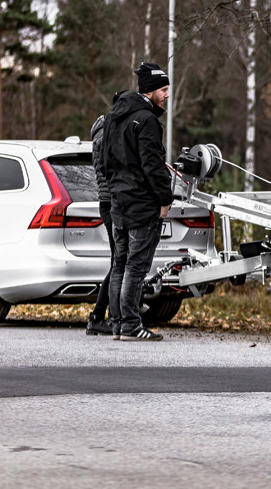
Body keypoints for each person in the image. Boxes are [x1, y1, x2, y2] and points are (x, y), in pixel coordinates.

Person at [103, 62, 174, 341]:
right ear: (151, 90)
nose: (167, 95)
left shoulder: (114, 117)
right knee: (136, 265)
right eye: (164, 90)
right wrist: (165, 199)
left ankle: (118, 324)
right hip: (142, 203)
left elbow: (106, 160)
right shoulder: (146, 121)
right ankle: (131, 324)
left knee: (120, 262)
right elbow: (153, 166)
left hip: (118, 201)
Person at [85, 109, 115, 336]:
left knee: (119, 262)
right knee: (119, 262)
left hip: (108, 203)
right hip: (111, 203)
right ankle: (100, 315)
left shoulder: (102, 133)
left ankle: (102, 314)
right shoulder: (106, 136)